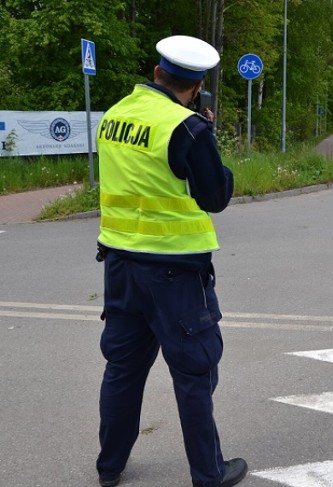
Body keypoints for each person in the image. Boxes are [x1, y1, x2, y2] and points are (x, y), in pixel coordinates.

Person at [94, 35, 247, 487]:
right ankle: (209, 475)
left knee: (122, 369)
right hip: (174, 274)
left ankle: (109, 468)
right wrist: (208, 136)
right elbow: (215, 196)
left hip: (120, 267)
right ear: (197, 87)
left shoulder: (114, 116)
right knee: (195, 373)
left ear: (157, 72)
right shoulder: (188, 128)